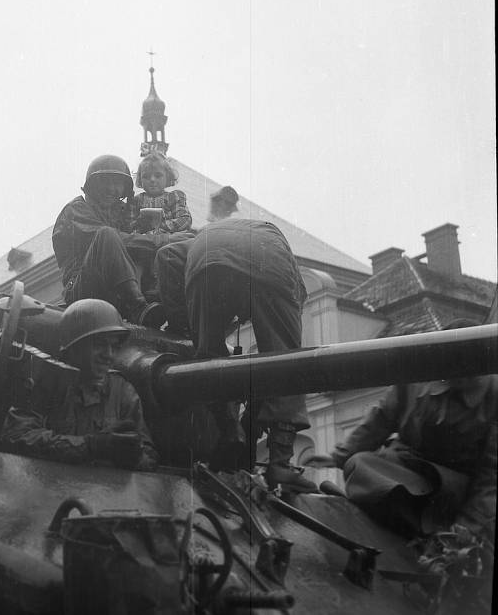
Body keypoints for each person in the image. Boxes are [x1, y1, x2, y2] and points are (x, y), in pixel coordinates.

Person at [155, 217, 317, 493]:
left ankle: (230, 433)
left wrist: (183, 323)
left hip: (205, 258)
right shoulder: (291, 286)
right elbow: (281, 371)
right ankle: (281, 464)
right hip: (267, 257)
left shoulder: (191, 241)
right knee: (287, 363)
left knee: (208, 358)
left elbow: (165, 255)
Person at [309, 320, 497, 540]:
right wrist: (340, 455)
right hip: (403, 468)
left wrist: (464, 530)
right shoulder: (418, 376)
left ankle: (422, 527)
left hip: (451, 489)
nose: (459, 376)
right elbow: (383, 417)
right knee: (360, 463)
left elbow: (491, 476)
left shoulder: (493, 396)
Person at [1, 299, 158, 470]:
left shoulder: (122, 391)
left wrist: (132, 457)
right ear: (73, 347)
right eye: (99, 345)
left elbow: (148, 456)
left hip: (106, 492)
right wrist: (91, 446)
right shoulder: (45, 382)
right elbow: (18, 435)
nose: (109, 355)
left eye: (114, 346)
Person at [52, 154, 189, 328]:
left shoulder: (124, 212)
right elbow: (117, 240)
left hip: (116, 294)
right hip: (83, 291)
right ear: (92, 185)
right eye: (105, 182)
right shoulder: (76, 209)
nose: (112, 188)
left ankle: (177, 316)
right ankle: (138, 307)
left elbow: (141, 240)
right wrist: (163, 239)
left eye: (117, 183)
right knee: (107, 235)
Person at [130, 152, 193, 234]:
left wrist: (158, 226)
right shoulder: (136, 200)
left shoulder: (174, 196)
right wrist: (139, 224)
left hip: (168, 240)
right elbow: (129, 225)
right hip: (143, 241)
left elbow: (185, 220)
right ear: (140, 180)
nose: (152, 179)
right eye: (146, 176)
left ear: (168, 177)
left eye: (158, 175)